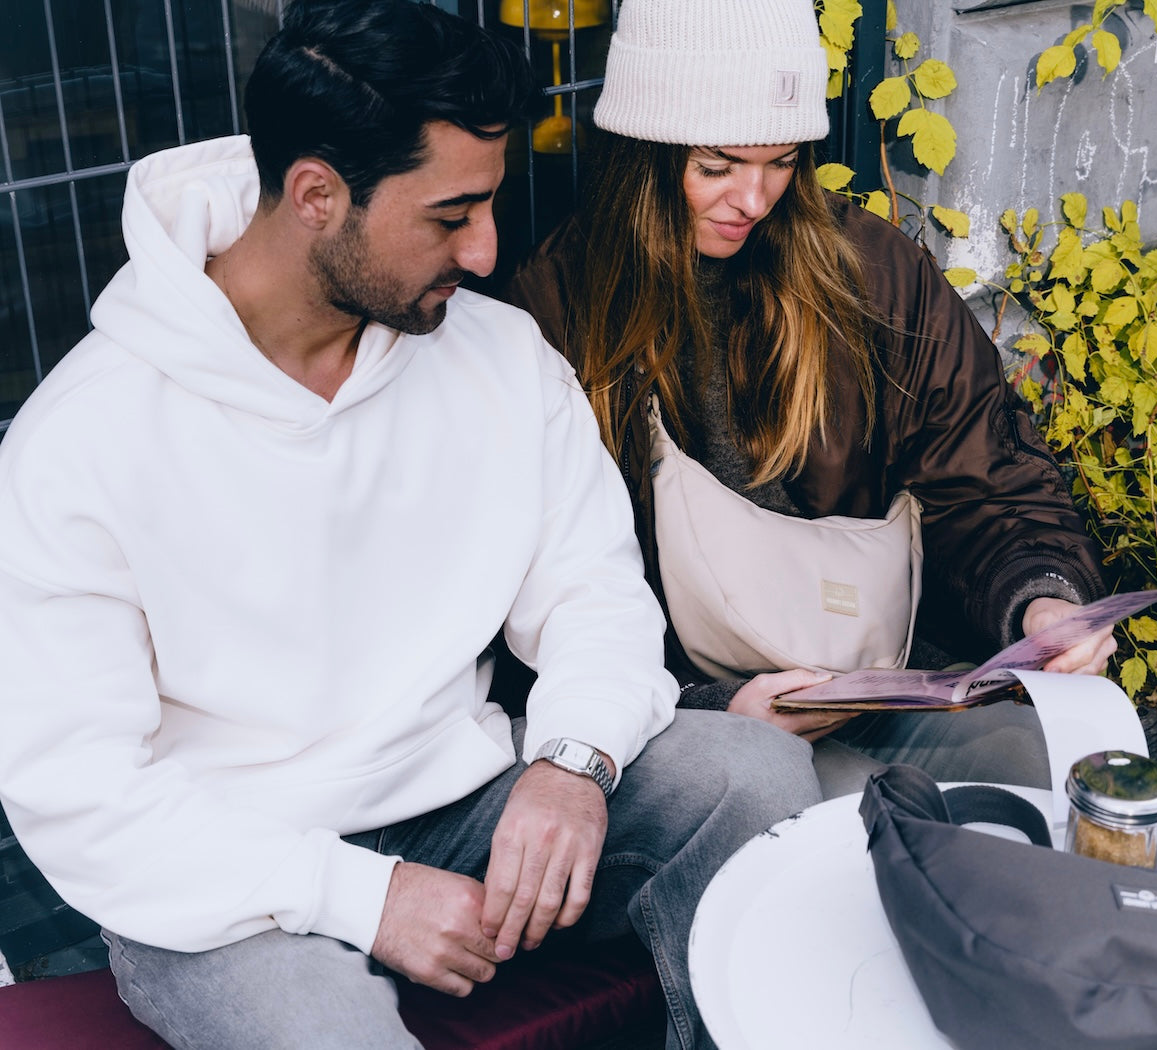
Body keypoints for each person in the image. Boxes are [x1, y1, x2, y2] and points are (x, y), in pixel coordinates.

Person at [0, 4, 820, 1049]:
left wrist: (573, 762)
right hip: (226, 876)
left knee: (751, 781)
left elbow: (593, 591)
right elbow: (81, 790)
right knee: (319, 1026)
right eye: (449, 216)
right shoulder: (84, 440)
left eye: (489, 207)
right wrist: (359, 897)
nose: (484, 251)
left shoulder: (496, 356)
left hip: (459, 805)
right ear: (315, 196)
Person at [507, 0, 1117, 797]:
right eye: (717, 166)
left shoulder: (867, 272)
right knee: (818, 818)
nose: (755, 200)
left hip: (879, 667)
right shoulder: (556, 310)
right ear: (643, 157)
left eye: (783, 160)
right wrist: (715, 707)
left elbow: (983, 474)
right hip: (678, 712)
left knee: (1040, 766)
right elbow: (543, 597)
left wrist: (1041, 601)